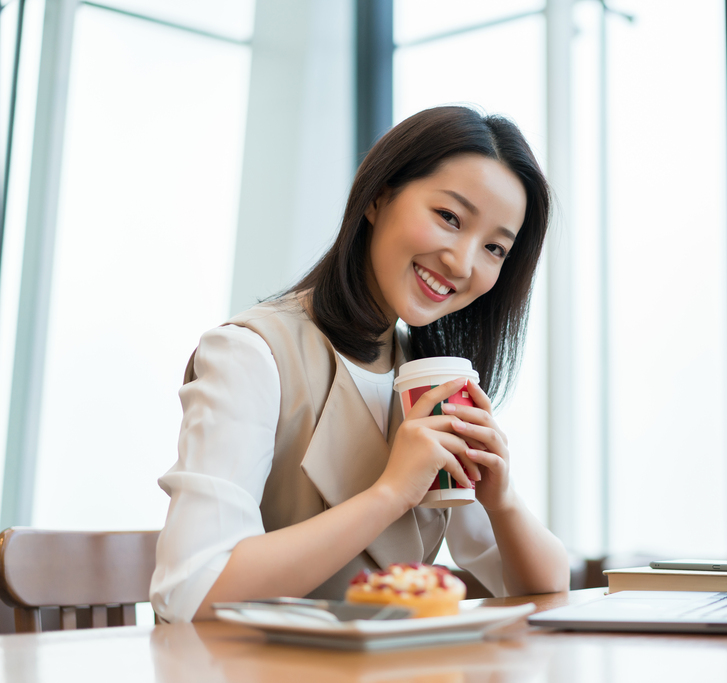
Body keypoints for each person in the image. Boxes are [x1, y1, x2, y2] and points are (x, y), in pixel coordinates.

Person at [150, 106, 570, 622]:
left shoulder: (427, 377)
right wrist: (391, 493)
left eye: (494, 248)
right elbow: (192, 591)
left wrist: (502, 502)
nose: (462, 262)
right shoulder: (251, 354)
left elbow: (546, 588)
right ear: (378, 195)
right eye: (449, 218)